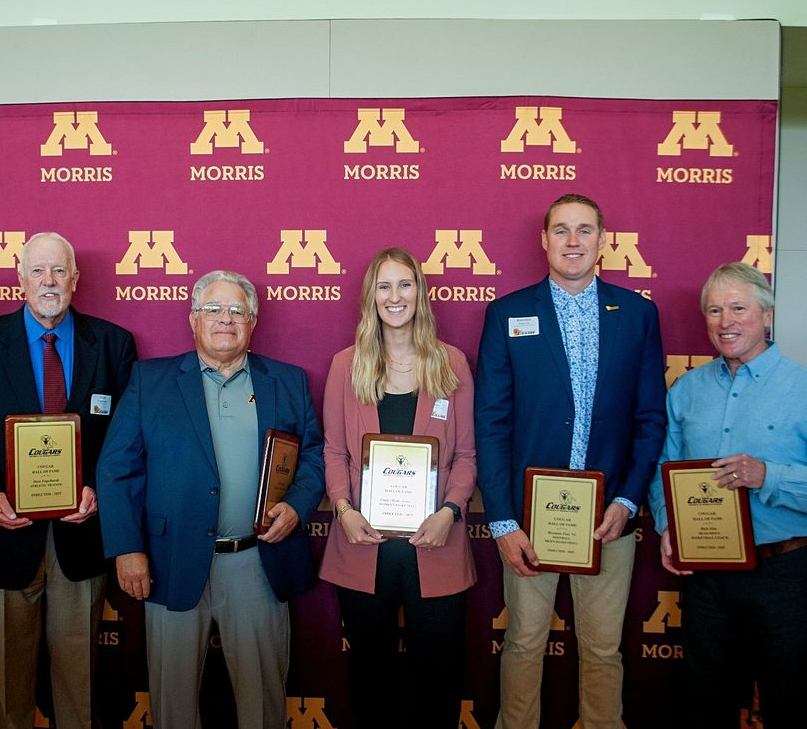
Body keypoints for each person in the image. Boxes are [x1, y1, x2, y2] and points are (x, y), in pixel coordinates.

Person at [96, 270, 324, 729]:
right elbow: (116, 469)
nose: (226, 319)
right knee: (173, 703)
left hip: (257, 561)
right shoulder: (149, 381)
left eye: (237, 310)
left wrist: (298, 506)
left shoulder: (288, 381)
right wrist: (126, 547)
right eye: (214, 309)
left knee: (263, 704)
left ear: (253, 321)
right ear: (193, 319)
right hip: (169, 559)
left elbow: (315, 455)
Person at [474, 194, 667, 729]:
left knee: (604, 651)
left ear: (603, 241)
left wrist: (628, 500)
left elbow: (651, 417)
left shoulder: (638, 315)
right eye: (562, 230)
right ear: (544, 240)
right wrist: (503, 520)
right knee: (523, 645)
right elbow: (491, 423)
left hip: (609, 519)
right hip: (529, 520)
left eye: (585, 231)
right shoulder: (508, 313)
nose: (574, 241)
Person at [0, 232, 136, 729]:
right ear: (19, 279)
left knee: (80, 687)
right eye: (38, 271)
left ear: (76, 278)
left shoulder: (113, 345)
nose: (48, 282)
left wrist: (94, 484)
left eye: (59, 272)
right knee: (7, 691)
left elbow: (124, 437)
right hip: (4, 534)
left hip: (81, 536)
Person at [319, 247, 476, 728]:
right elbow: (333, 452)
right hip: (363, 545)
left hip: (437, 546)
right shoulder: (346, 365)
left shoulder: (450, 363)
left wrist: (449, 510)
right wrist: (344, 510)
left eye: (404, 284)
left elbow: (467, 456)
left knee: (439, 680)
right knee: (370, 681)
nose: (395, 296)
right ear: (371, 297)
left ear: (420, 293)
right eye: (384, 286)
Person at [648, 262, 807, 729]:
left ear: (767, 315)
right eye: (714, 311)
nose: (725, 322)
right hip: (707, 576)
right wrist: (666, 525)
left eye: (738, 308)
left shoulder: (802, 388)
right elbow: (664, 470)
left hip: (785, 573)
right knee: (703, 699)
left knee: (790, 698)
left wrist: (768, 476)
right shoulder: (687, 390)